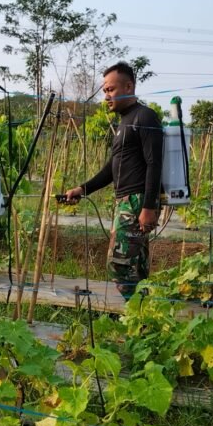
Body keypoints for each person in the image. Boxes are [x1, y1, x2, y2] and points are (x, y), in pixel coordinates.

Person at [65, 61, 163, 300]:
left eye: (111, 89)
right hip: (127, 201)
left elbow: (155, 163)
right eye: (105, 91)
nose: (106, 96)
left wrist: (148, 207)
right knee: (135, 266)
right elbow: (112, 168)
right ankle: (143, 315)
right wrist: (83, 189)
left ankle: (137, 312)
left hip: (137, 201)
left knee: (119, 264)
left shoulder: (144, 116)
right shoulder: (124, 121)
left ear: (128, 86)